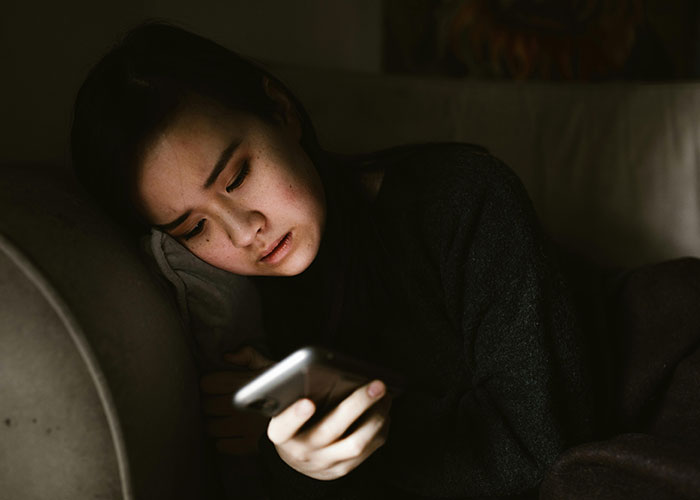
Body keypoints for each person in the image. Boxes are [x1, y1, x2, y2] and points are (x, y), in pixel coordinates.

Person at [70, 21, 595, 499]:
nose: (244, 230)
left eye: (236, 177)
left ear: (281, 111)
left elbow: (542, 446)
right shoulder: (247, 323)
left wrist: (356, 442)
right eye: (195, 228)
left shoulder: (464, 198)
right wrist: (289, 455)